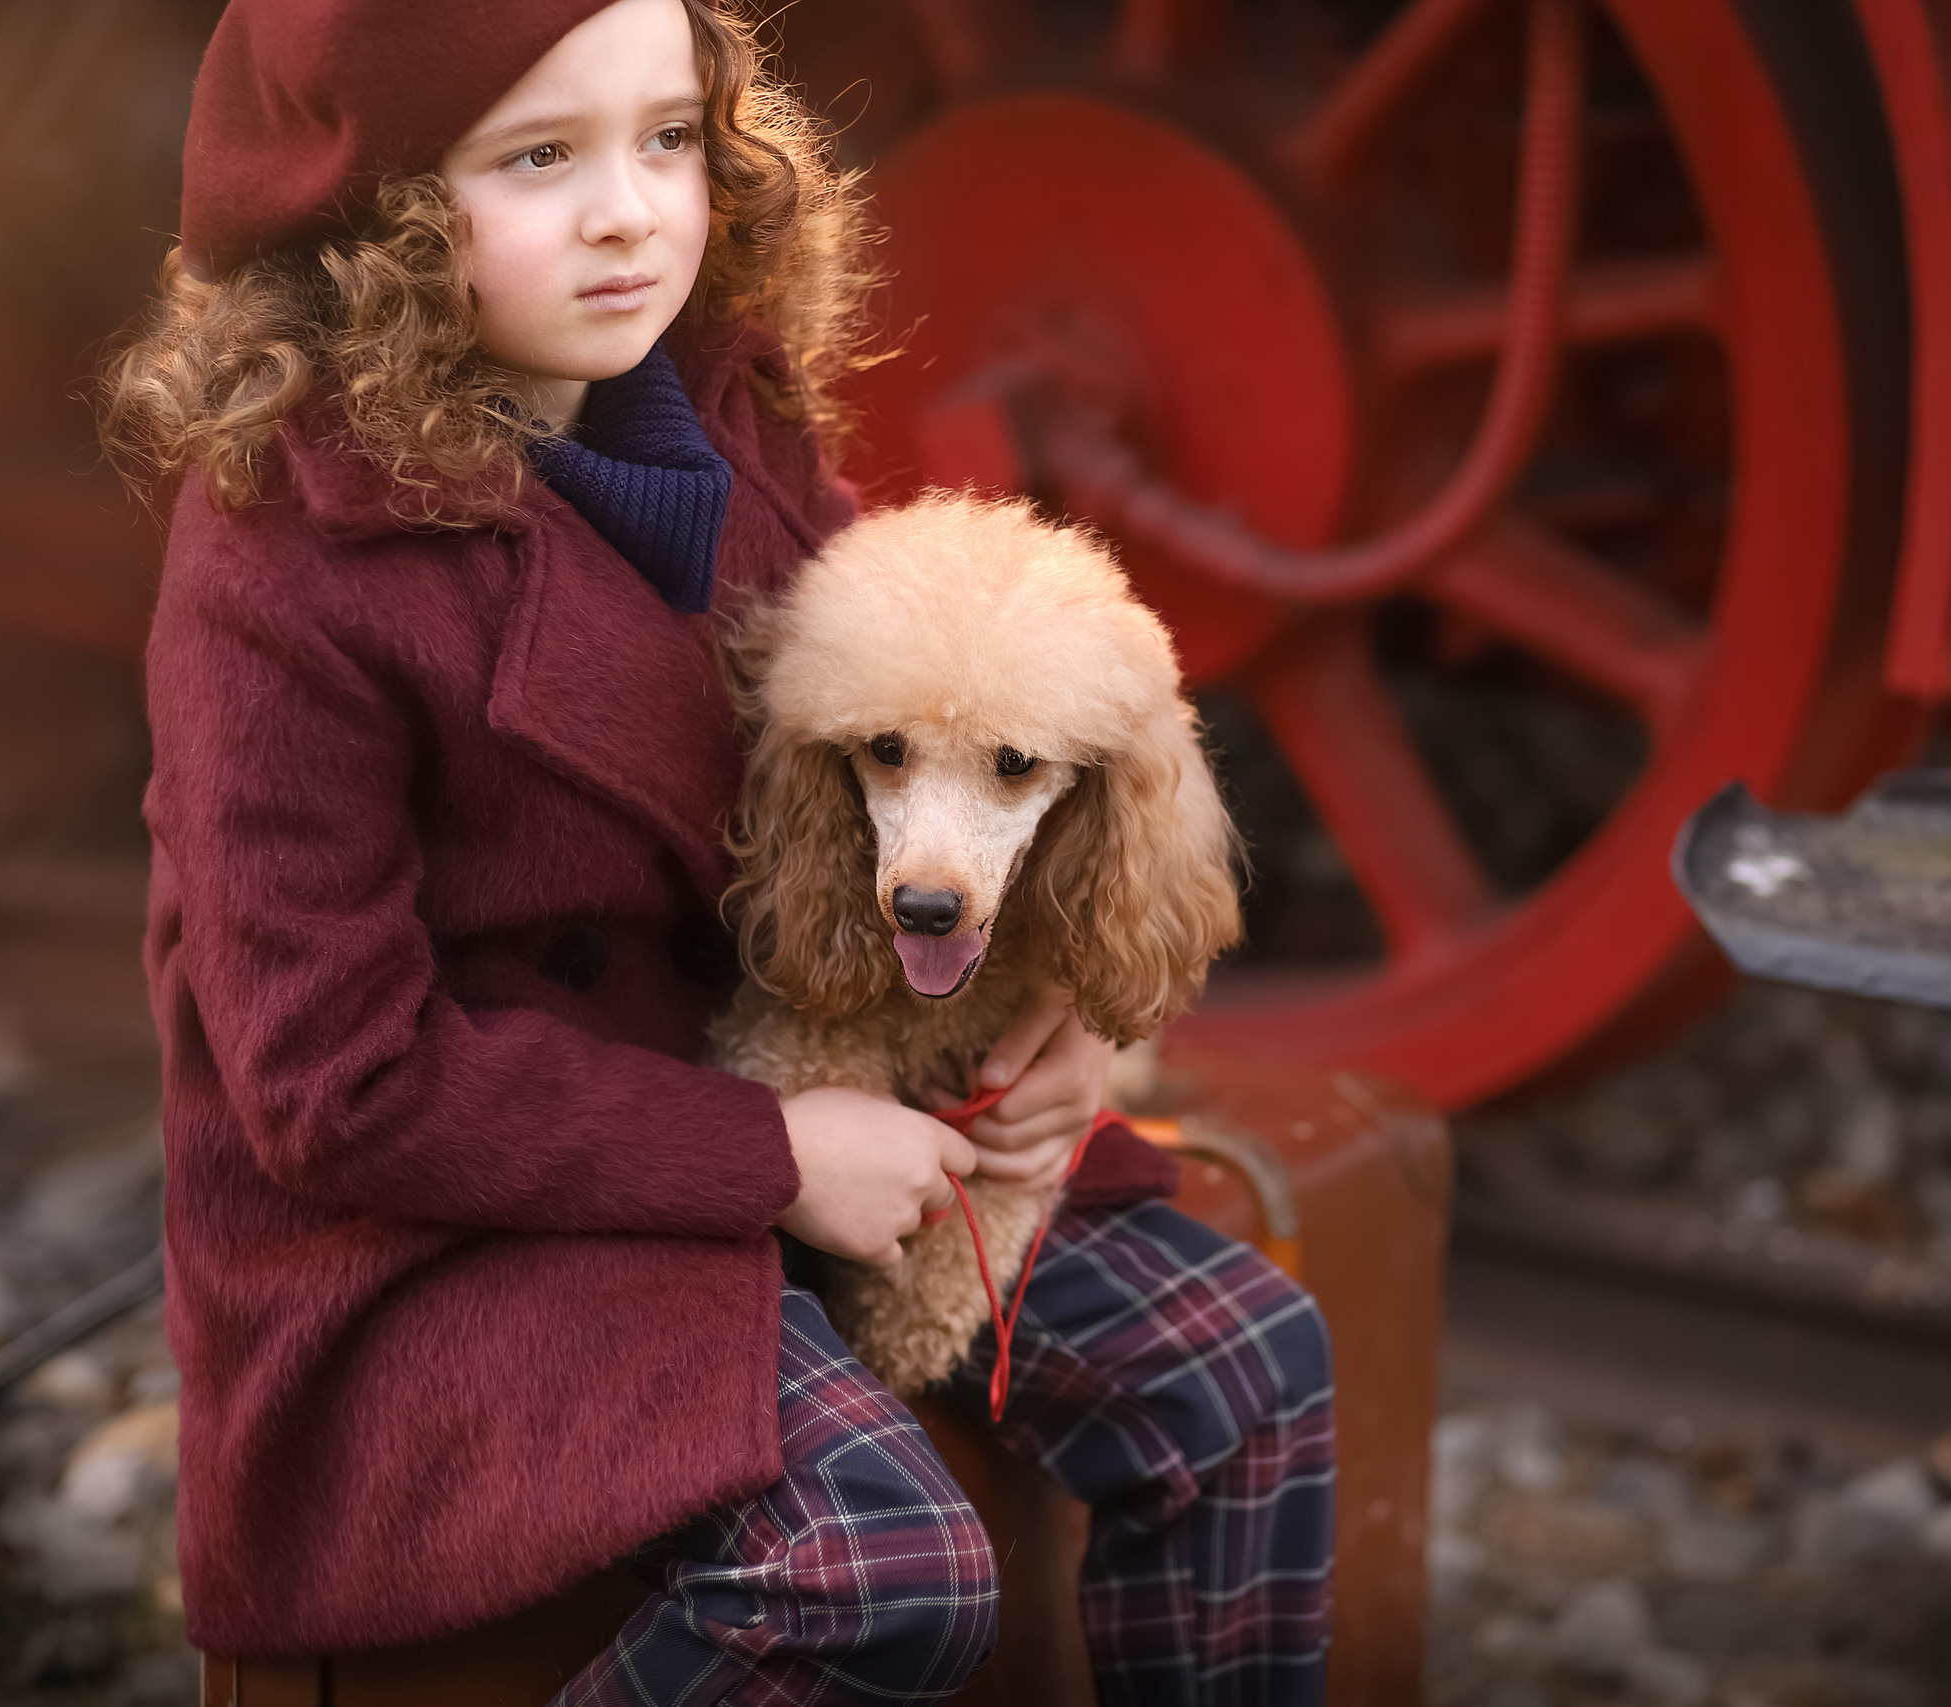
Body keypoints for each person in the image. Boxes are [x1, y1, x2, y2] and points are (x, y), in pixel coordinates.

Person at [102, 2, 1334, 1700]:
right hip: (456, 1228)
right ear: (376, 217)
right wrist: (768, 1154)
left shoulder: (709, 411)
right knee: (869, 1569)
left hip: (783, 1094)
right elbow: (333, 1086)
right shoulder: (285, 557)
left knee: (1241, 1363)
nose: (631, 208)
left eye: (670, 135)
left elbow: (922, 742)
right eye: (541, 157)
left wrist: (1075, 1014)